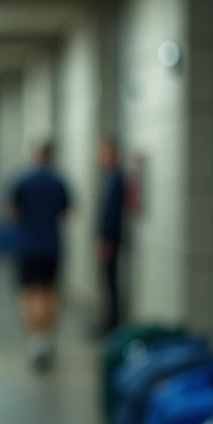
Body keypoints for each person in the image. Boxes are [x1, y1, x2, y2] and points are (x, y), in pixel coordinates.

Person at [6, 141, 71, 370]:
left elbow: (12, 212)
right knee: (50, 291)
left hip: (28, 246)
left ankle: (36, 338)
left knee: (29, 292)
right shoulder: (58, 182)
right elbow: (66, 212)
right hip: (52, 247)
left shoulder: (23, 181)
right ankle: (46, 337)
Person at [97, 136, 126, 335]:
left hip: (112, 240)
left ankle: (113, 322)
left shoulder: (116, 179)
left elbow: (112, 213)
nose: (100, 156)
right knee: (107, 281)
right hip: (108, 239)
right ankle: (109, 319)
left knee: (111, 281)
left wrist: (106, 239)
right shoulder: (109, 177)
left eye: (103, 152)